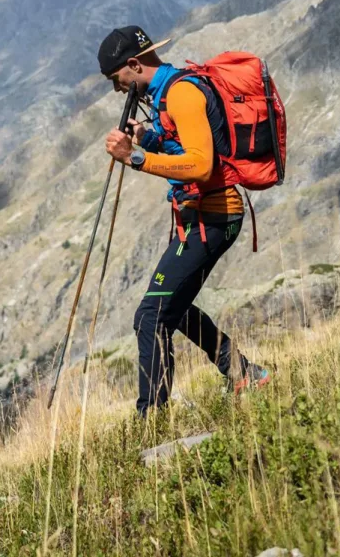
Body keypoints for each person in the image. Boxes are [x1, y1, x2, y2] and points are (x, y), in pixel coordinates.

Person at [98, 25, 269, 416]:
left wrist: (135, 158)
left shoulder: (183, 93)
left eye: (116, 80)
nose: (118, 90)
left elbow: (200, 163)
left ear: (134, 64)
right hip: (201, 215)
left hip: (215, 214)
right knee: (173, 307)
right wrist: (149, 138)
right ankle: (243, 372)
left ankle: (151, 420)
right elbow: (184, 147)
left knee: (150, 317)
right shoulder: (167, 92)